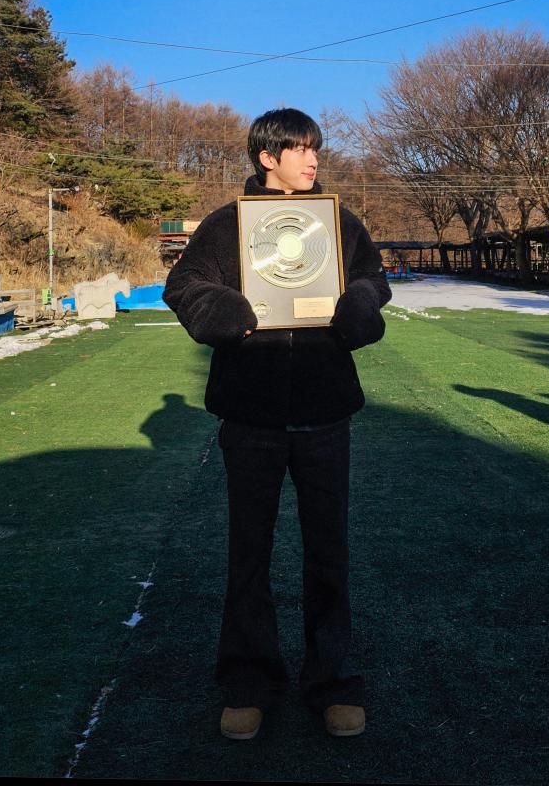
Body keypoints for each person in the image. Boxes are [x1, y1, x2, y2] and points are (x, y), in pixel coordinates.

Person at [163, 107, 391, 740]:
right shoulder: (226, 224)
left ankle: (334, 682)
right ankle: (248, 682)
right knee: (248, 555)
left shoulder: (339, 221)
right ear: (268, 157)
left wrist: (359, 305)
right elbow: (184, 286)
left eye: (316, 148)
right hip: (250, 415)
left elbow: (373, 280)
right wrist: (227, 313)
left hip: (326, 412)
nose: (313, 159)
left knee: (329, 554)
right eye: (300, 149)